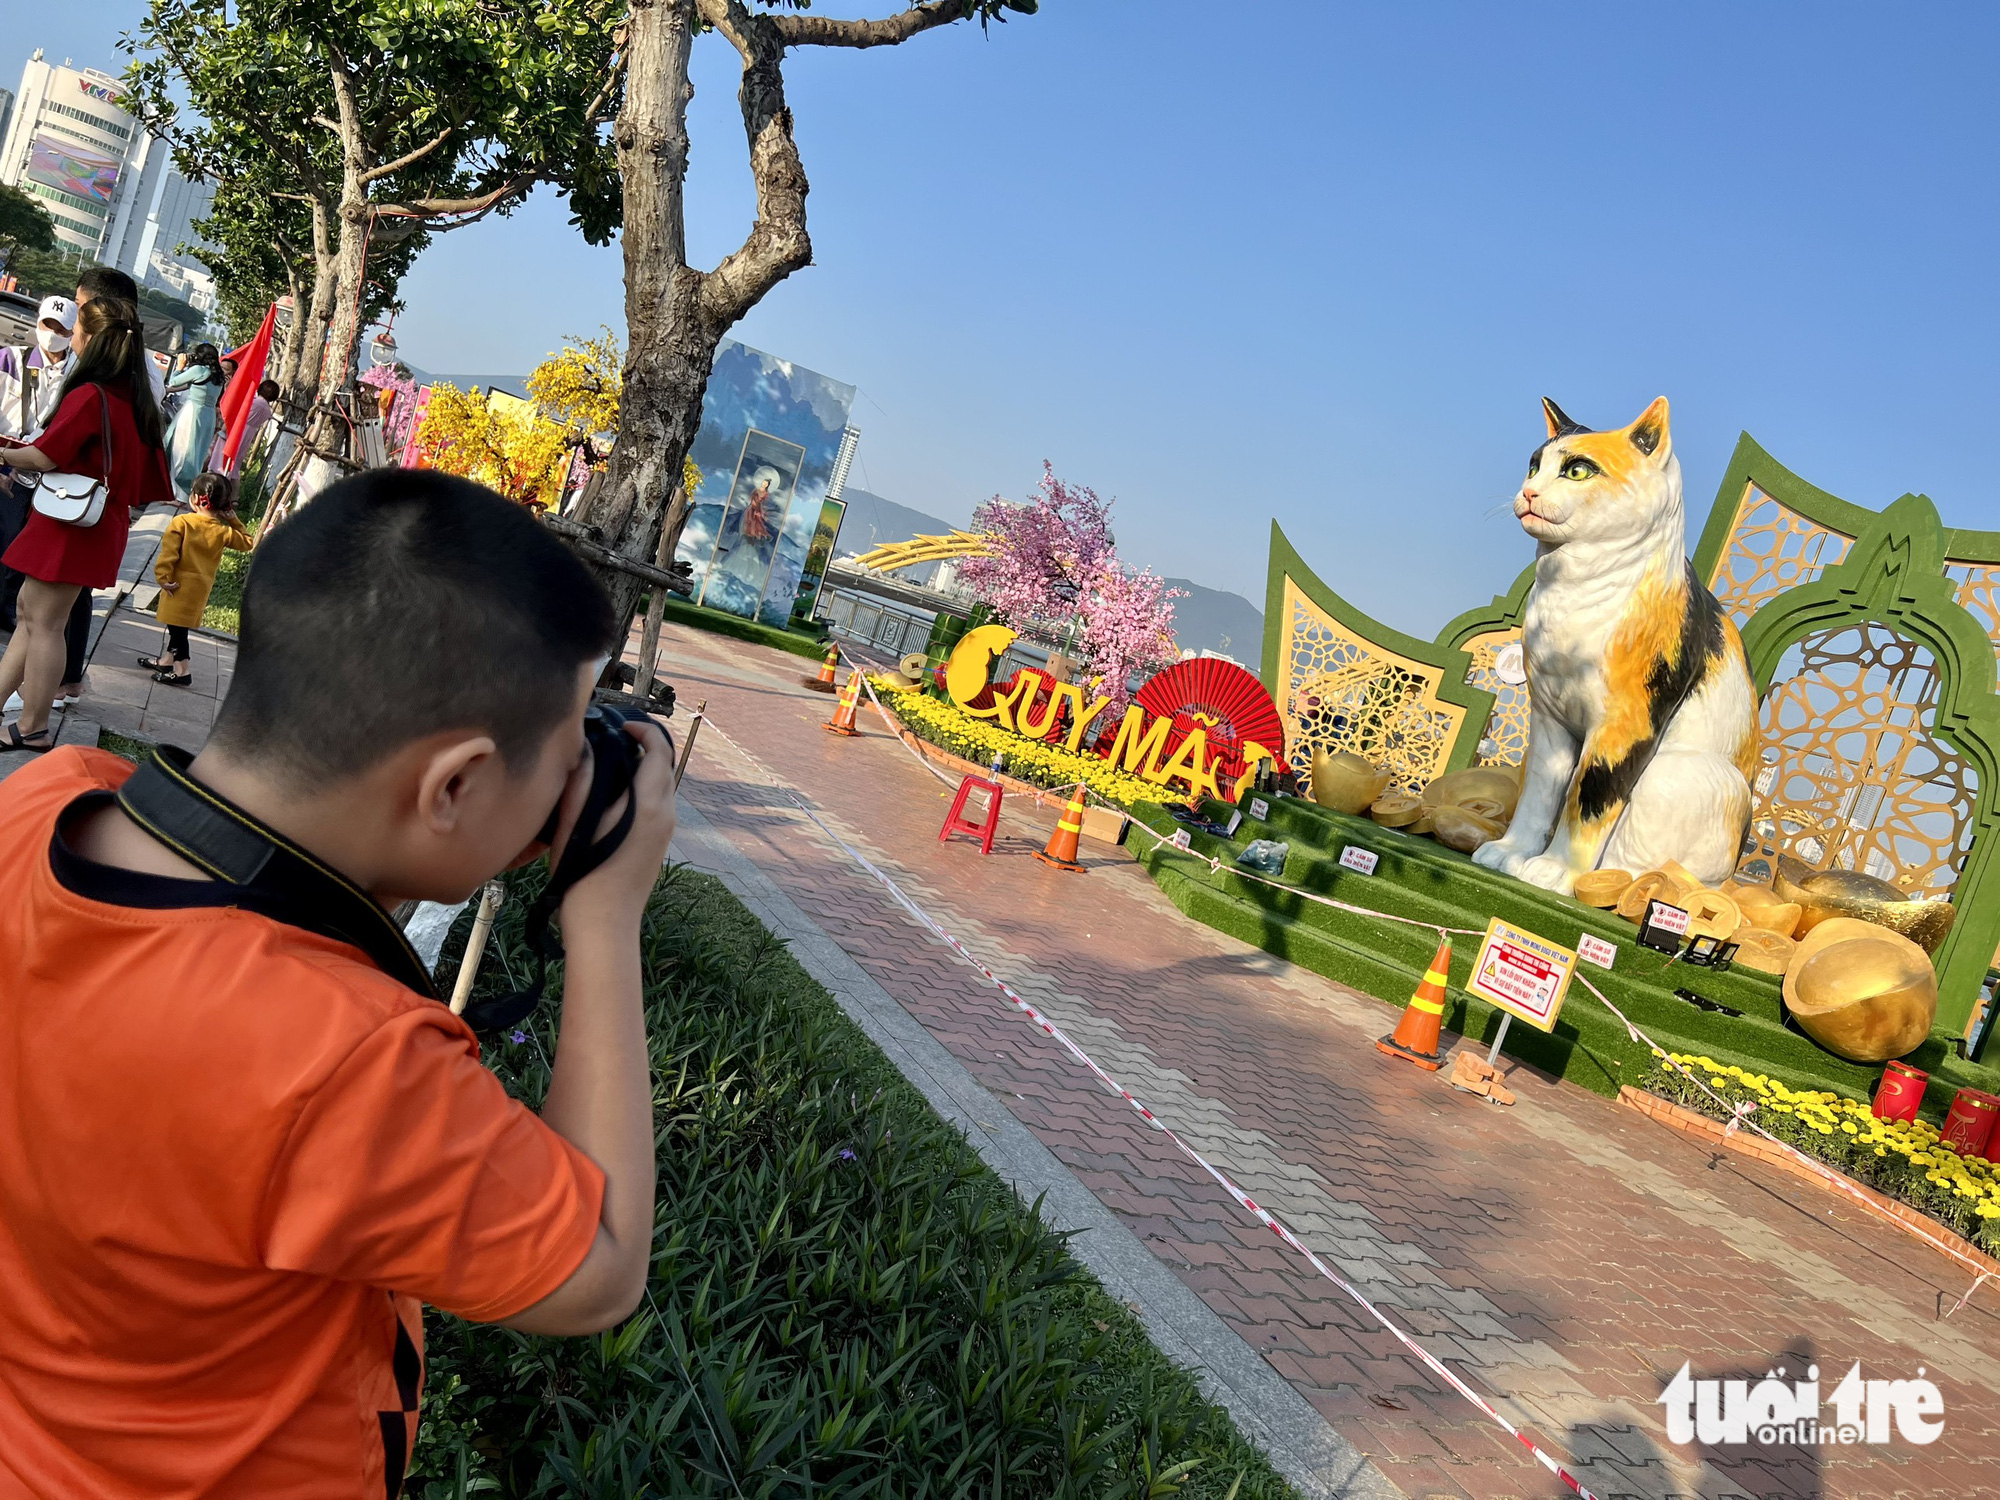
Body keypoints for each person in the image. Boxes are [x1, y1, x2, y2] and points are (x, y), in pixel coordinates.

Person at [0, 469, 672, 1494]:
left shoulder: (47, 802)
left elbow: (274, 907)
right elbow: (601, 1267)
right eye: (566, 745)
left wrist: (438, 844)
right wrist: (604, 912)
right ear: (452, 784)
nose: (575, 776)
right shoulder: (349, 1059)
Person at [0, 297, 172, 752]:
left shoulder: (92, 395)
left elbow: (43, 454)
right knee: (32, 616)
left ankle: (32, 725)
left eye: (75, 329)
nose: (68, 337)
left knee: (44, 622)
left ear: (92, 339)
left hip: (69, 522)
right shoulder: (131, 398)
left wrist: (3, 453)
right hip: (93, 519)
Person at [0, 295, 78, 632]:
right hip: (5, 462)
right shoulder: (9, 359)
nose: (53, 332)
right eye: (48, 324)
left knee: (24, 545)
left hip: (49, 473)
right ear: (38, 323)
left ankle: (8, 608)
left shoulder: (78, 374)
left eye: (62, 328)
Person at [143, 470, 251, 686]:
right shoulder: (223, 532)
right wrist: (234, 521)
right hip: (199, 590)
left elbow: (169, 555)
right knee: (178, 627)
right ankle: (166, 661)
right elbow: (247, 542)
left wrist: (162, 577)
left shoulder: (182, 523)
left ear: (196, 498)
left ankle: (182, 671)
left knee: (177, 632)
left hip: (177, 586)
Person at [164, 343, 226, 501]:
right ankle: (186, 492)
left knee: (181, 451)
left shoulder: (199, 370)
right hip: (208, 416)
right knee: (197, 454)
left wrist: (180, 366)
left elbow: (174, 381)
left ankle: (175, 491)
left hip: (192, 414)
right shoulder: (218, 376)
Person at [206, 375, 279, 472]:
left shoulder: (253, 402)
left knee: (219, 460)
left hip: (236, 430)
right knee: (234, 466)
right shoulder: (268, 410)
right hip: (248, 436)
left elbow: (234, 406)